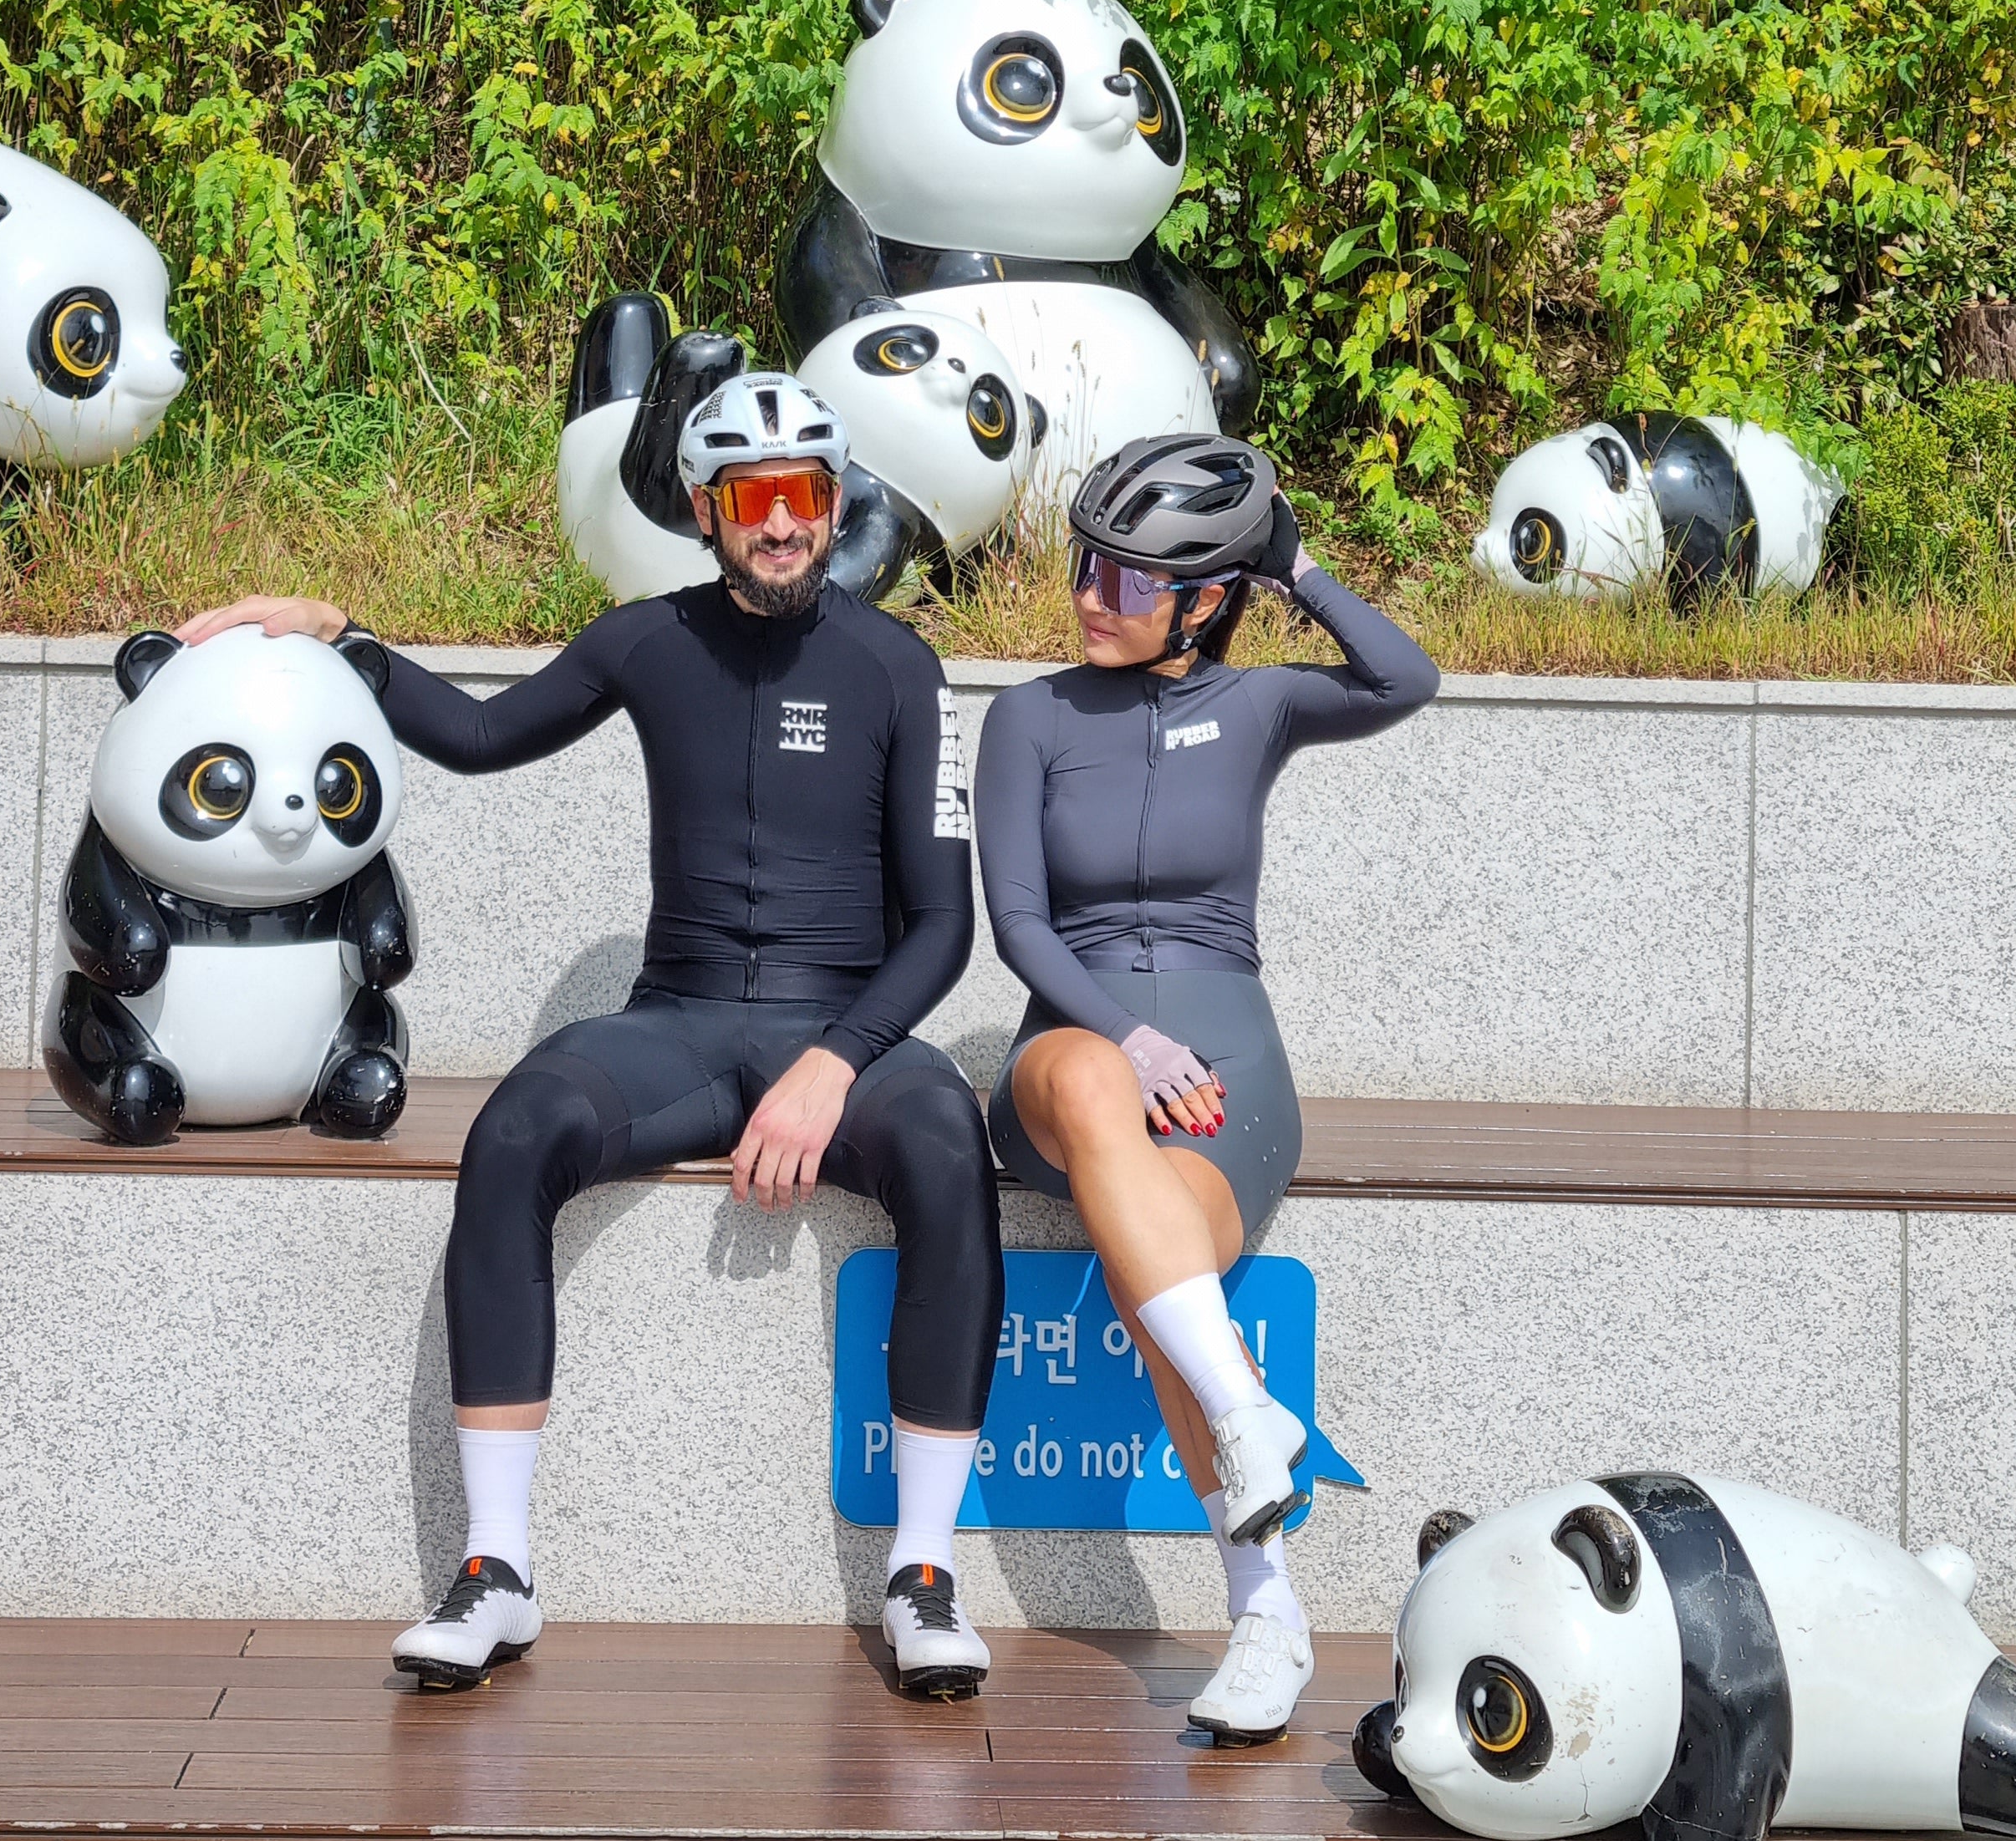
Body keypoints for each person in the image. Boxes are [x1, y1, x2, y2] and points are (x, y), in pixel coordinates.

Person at [178, 369, 1005, 1702]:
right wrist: (341, 639)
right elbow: (485, 734)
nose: (782, 524)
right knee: (513, 1132)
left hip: (844, 1026)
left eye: (802, 495)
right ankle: (494, 1571)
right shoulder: (645, 640)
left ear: (835, 497)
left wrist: (834, 1062)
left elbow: (943, 929)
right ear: (705, 508)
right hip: (675, 1021)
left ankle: (923, 1576)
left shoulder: (900, 666)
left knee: (951, 1149)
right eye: (752, 500)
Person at [973, 431, 1438, 1746]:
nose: (1091, 597)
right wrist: (1124, 1036)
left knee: (1151, 1269)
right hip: (1070, 1058)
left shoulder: (1263, 707)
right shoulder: (1033, 717)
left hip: (1232, 1085)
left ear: (1205, 599)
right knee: (1085, 1087)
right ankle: (1248, 1416)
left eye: (1131, 581)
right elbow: (1017, 922)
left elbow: (1407, 675)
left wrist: (1291, 564)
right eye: (1088, 567)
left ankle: (1267, 1618)